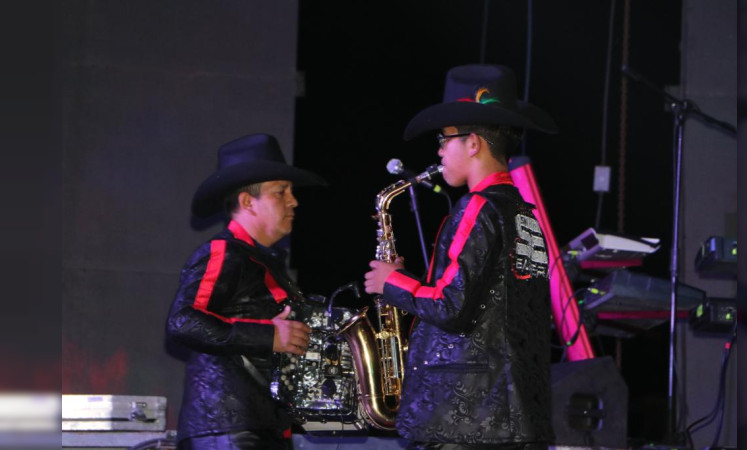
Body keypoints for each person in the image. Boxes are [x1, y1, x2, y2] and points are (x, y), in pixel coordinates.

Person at [363, 64, 558, 449]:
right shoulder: (524, 213)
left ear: (473, 144)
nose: (438, 150)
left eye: (444, 139)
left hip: (467, 419)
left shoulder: (477, 207)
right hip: (515, 413)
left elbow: (451, 304)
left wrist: (392, 283)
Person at [165, 133, 326, 449]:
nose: (294, 201)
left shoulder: (267, 262)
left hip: (263, 426)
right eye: (281, 192)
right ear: (247, 202)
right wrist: (270, 336)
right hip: (226, 427)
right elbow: (183, 321)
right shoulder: (223, 252)